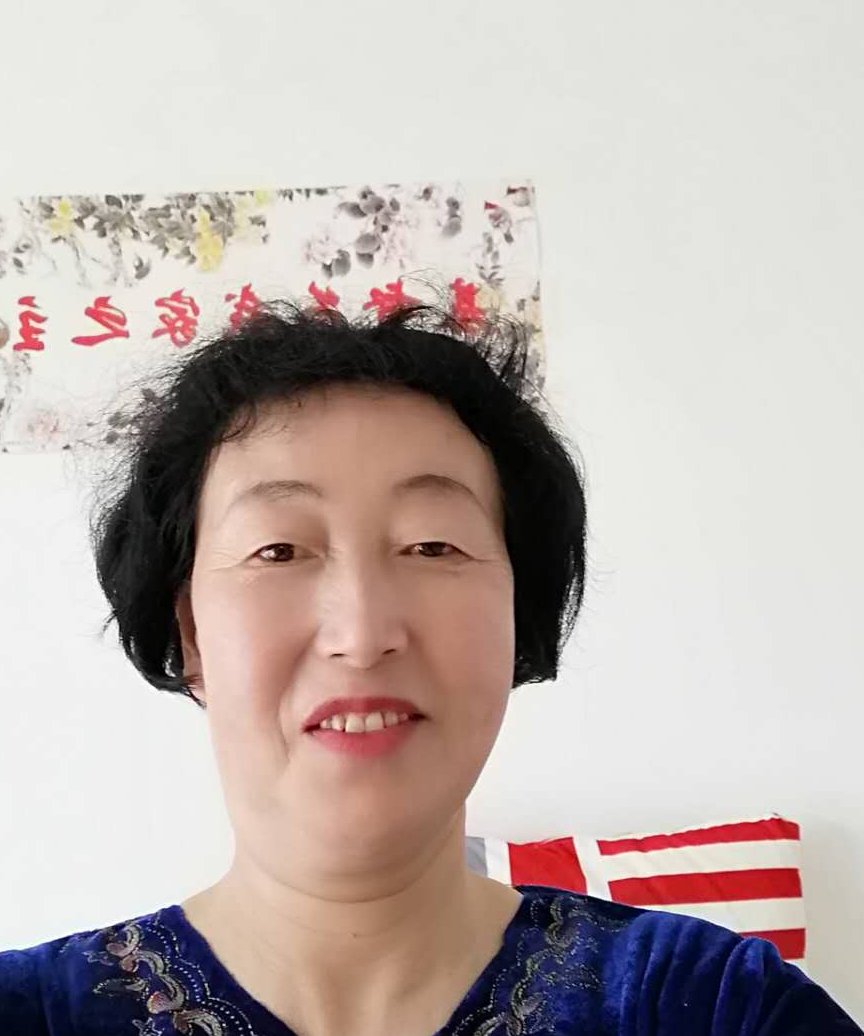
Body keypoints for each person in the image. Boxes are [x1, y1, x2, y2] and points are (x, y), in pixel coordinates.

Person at [0, 301, 859, 1035]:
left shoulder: (710, 1006)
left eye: (432, 545)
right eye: (279, 549)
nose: (362, 631)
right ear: (191, 633)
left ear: (518, 609)